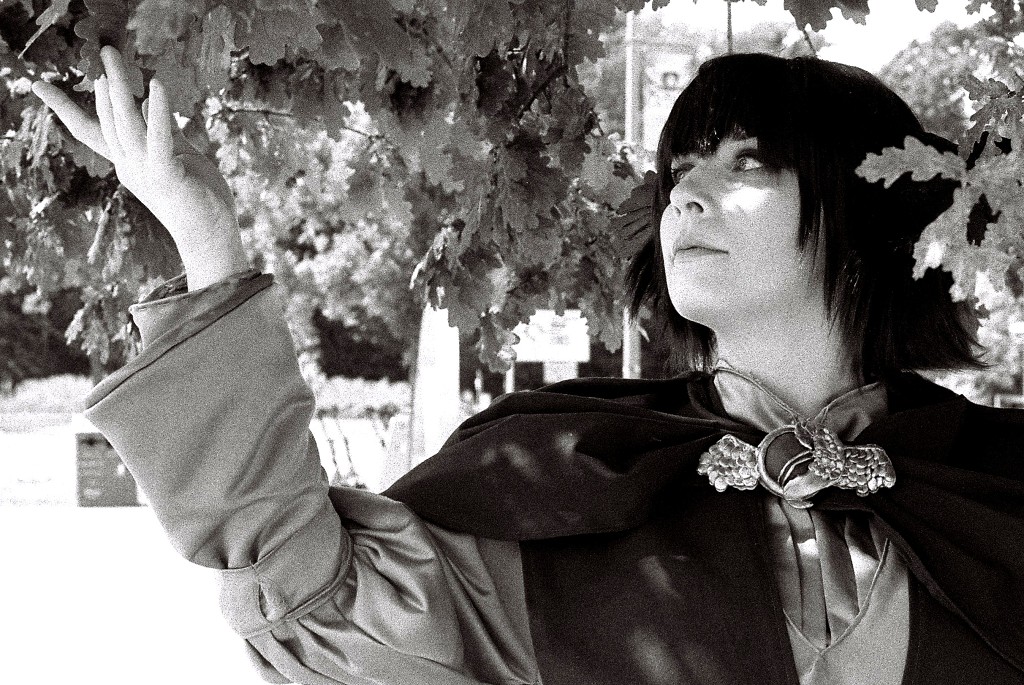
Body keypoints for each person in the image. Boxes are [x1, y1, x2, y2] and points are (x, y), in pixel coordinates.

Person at [32, 46, 1024, 685]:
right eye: (682, 171)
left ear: (863, 220)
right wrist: (207, 238)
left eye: (748, 165)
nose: (686, 197)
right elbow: (312, 600)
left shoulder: (992, 485)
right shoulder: (573, 469)